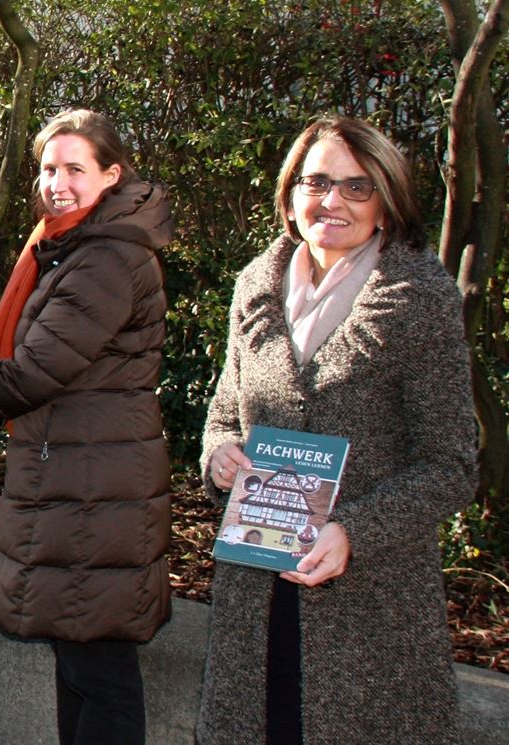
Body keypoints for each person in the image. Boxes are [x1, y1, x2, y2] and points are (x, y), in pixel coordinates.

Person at [197, 117, 476, 744]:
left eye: (357, 187)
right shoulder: (255, 285)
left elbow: (451, 465)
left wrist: (353, 532)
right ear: (291, 194)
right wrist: (219, 457)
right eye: (317, 182)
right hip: (255, 597)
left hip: (369, 606)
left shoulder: (419, 297)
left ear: (386, 202)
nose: (333, 202)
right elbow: (222, 414)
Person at [0, 108, 173, 745]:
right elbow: (68, 350)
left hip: (92, 486)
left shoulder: (105, 257)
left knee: (97, 668)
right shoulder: (77, 243)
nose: (58, 182)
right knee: (79, 657)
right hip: (81, 475)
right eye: (49, 167)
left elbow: (35, 375)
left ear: (112, 174)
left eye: (76, 168)